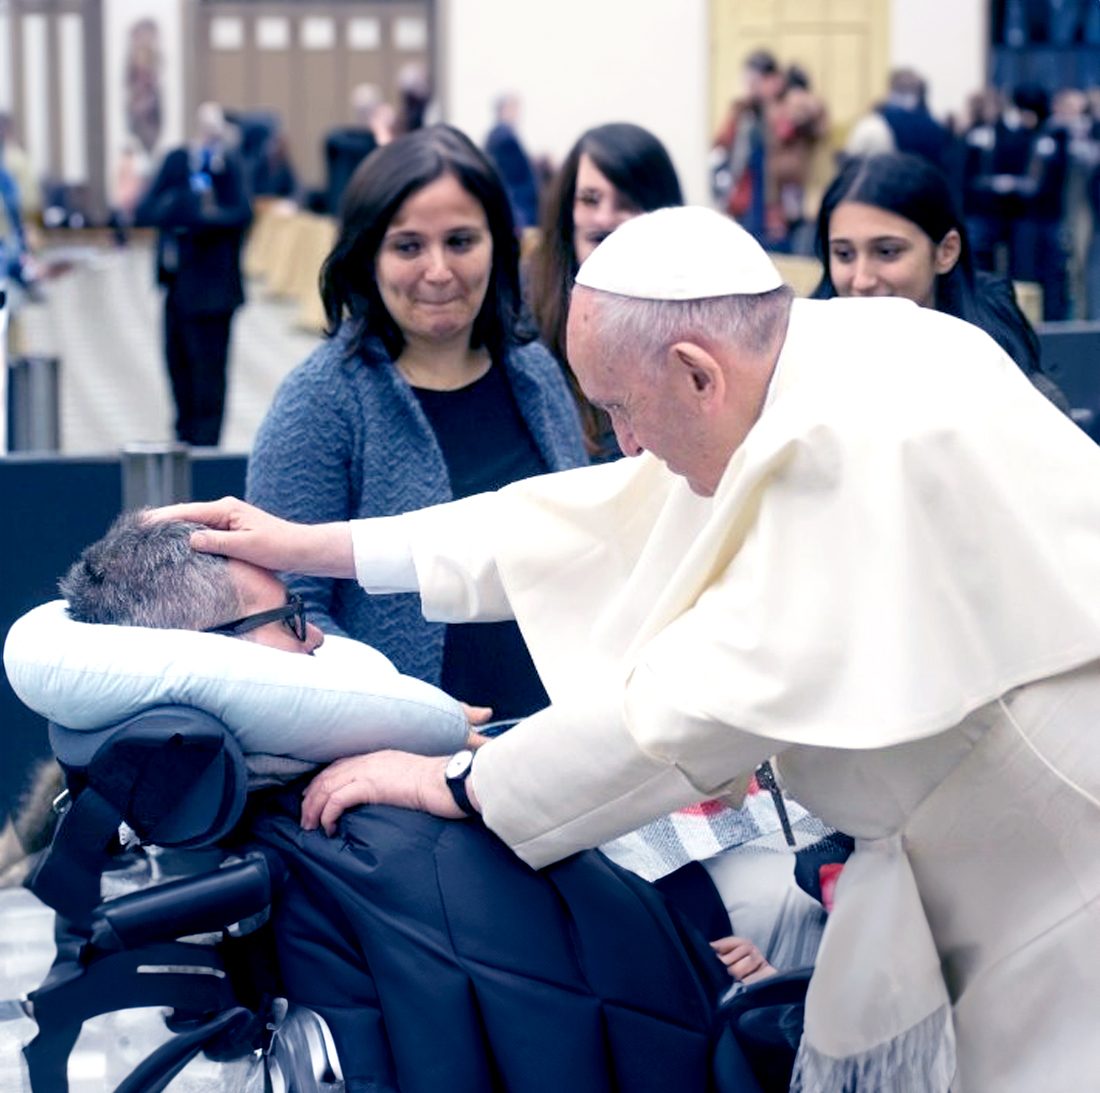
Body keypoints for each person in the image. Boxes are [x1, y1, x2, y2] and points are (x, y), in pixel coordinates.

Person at [160, 204, 1100, 1091]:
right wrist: (315, 544)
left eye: (619, 410)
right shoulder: (816, 357)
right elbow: (588, 524)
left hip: (1041, 858)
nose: (622, 443)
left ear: (697, 371)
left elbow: (685, 713)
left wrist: (451, 780)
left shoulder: (845, 448)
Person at [7, 510, 739, 1093]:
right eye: (291, 618)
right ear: (217, 654)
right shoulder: (372, 833)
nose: (318, 634)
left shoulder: (320, 829)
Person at [246, 124, 587, 722]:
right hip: (400, 762)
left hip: (557, 744)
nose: (438, 271)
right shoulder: (319, 401)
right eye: (408, 247)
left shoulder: (536, 376)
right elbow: (285, 613)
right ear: (366, 256)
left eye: (460, 241)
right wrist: (404, 715)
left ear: (499, 246)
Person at [525, 122, 683, 460]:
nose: (604, 217)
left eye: (625, 202)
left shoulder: (695, 311)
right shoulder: (527, 306)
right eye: (589, 199)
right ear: (568, 209)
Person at [811, 151, 1045, 375]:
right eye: (844, 254)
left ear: (946, 251)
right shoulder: (798, 359)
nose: (862, 280)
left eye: (887, 252)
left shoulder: (1001, 372)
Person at [135, 102, 251, 446]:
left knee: (209, 379)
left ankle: (206, 451)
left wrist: (196, 220)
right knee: (178, 369)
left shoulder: (229, 166)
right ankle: (183, 441)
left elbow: (240, 214)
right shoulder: (177, 162)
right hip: (176, 288)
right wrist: (186, 208)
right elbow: (146, 211)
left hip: (214, 294)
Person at [483, 93, 539, 231]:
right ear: (503, 109)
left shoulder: (498, 135)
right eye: (513, 108)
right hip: (518, 206)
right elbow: (514, 175)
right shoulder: (504, 135)